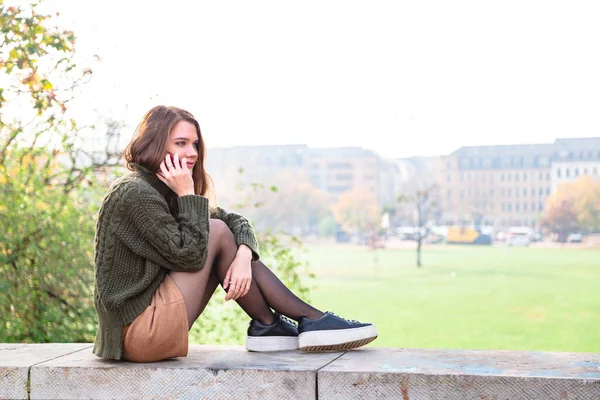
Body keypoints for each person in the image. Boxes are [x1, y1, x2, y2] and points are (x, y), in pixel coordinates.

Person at [93, 105, 377, 362]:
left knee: (220, 230)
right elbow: (190, 255)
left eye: (195, 144)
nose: (192, 152)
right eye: (181, 143)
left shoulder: (163, 189)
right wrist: (187, 195)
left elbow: (234, 220)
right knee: (215, 231)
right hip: (135, 334)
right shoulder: (134, 193)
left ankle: (269, 324)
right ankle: (303, 319)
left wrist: (243, 254)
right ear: (154, 144)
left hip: (148, 326)